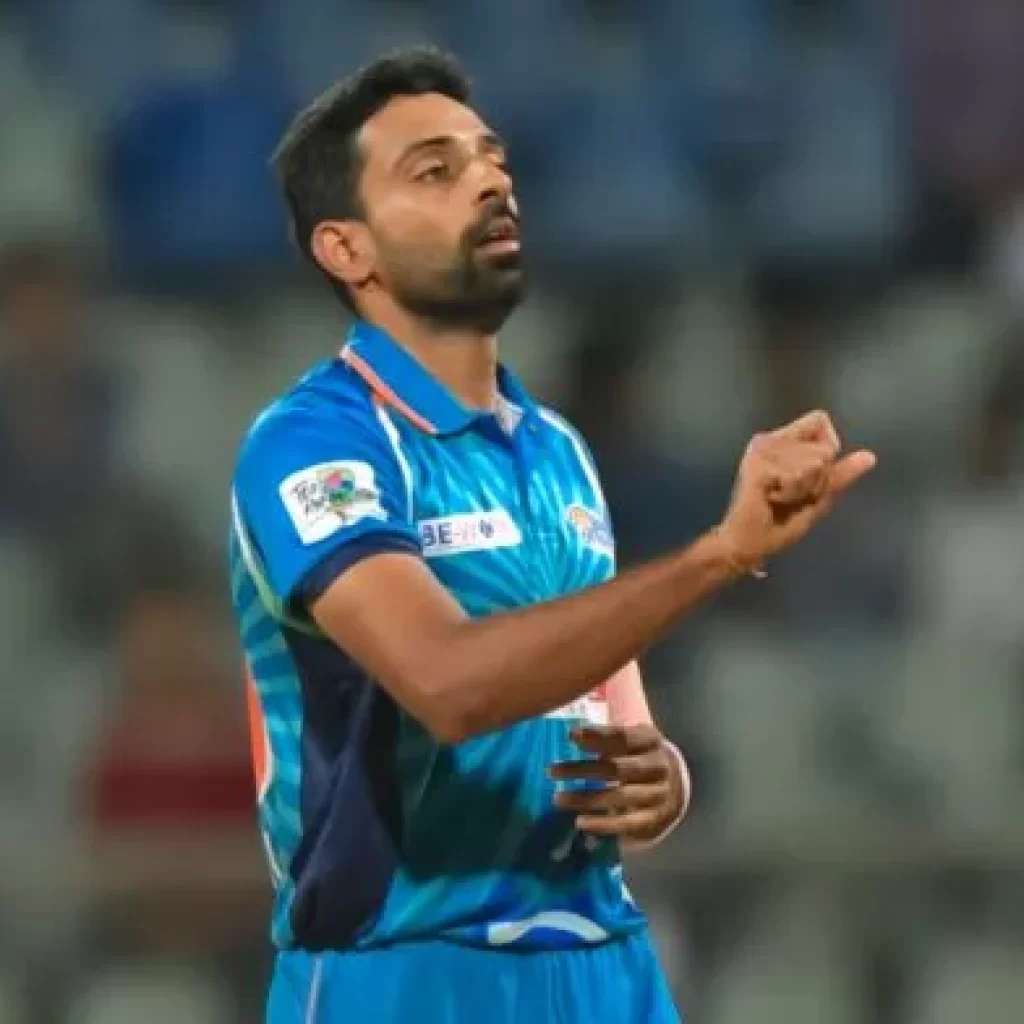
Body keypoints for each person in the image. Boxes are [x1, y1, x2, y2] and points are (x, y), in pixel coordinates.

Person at [228, 46, 876, 1024]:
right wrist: (720, 553)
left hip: (602, 962)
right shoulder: (315, 443)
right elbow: (450, 683)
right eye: (435, 170)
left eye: (492, 159)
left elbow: (610, 710)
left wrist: (662, 778)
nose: (490, 181)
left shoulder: (559, 448)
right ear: (346, 249)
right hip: (405, 973)